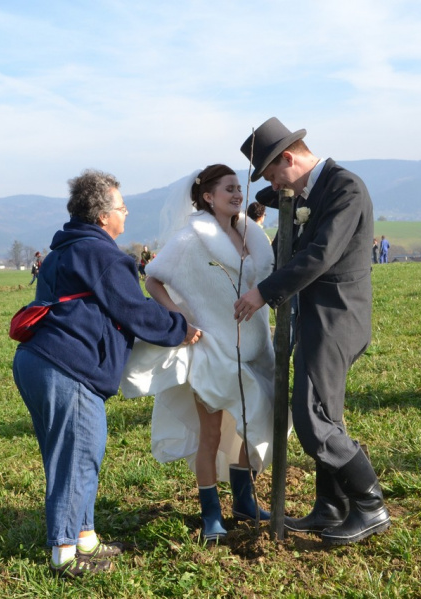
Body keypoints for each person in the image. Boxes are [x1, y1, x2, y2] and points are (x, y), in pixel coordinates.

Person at [11, 169, 200, 578]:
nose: (126, 212)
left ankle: (85, 538)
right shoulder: (104, 255)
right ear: (102, 216)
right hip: (68, 366)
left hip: (36, 360)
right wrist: (180, 328)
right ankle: (64, 554)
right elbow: (135, 310)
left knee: (72, 455)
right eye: (121, 206)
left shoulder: (64, 250)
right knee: (79, 457)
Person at [233, 118, 390, 545]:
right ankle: (331, 507)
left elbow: (321, 254)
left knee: (311, 416)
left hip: (339, 316)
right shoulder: (314, 188)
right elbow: (278, 194)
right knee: (327, 412)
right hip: (318, 316)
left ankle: (370, 505)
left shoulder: (345, 188)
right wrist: (268, 190)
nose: (270, 184)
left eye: (270, 172)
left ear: (289, 157)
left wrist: (263, 293)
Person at [121, 164, 279, 543]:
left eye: (238, 188)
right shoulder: (190, 239)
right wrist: (179, 314)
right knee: (211, 434)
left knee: (251, 428)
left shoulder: (251, 233)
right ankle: (211, 515)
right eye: (228, 188)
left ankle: (244, 501)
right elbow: (153, 276)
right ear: (208, 196)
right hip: (211, 351)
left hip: (255, 349)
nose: (237, 194)